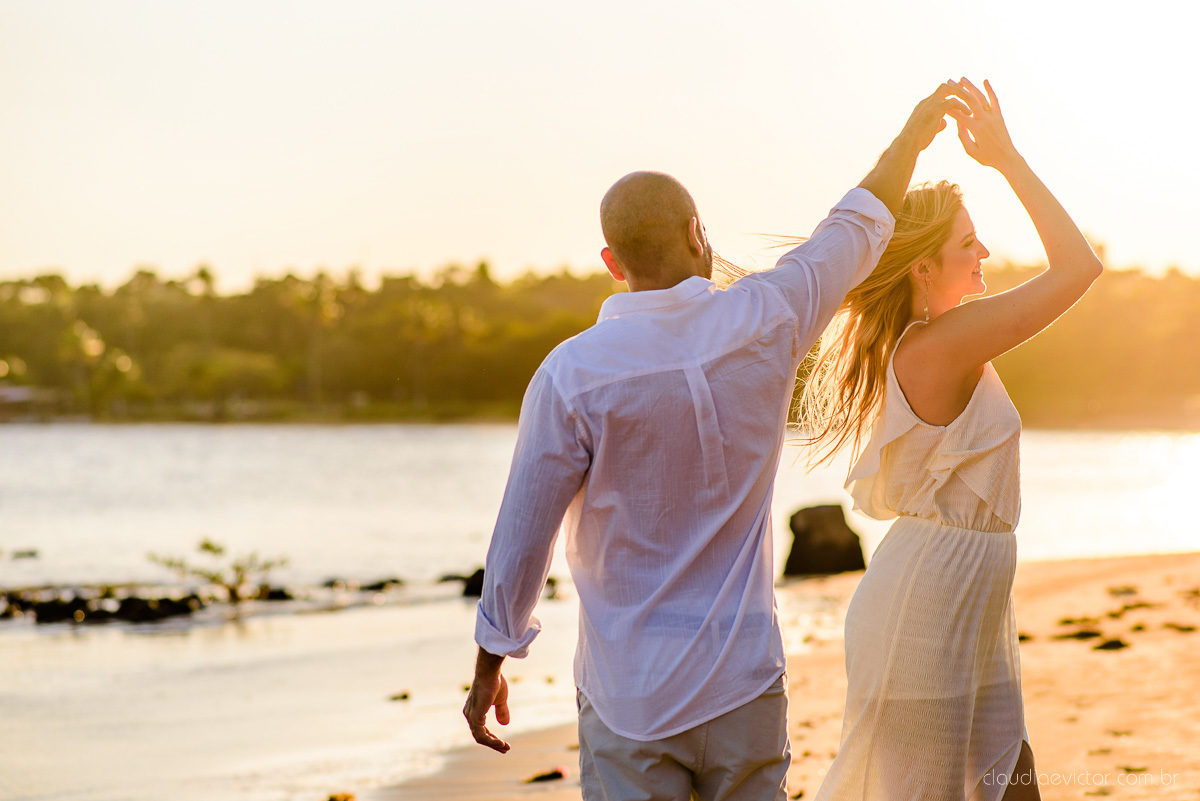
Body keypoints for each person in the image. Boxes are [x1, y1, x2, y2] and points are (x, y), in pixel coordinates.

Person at [462, 82, 967, 801]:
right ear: (700, 233)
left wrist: (491, 663)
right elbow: (855, 226)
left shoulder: (571, 374)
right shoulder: (767, 317)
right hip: (743, 682)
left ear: (613, 261)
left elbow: (523, 533)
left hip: (630, 695)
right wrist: (911, 139)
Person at [802, 79, 1103, 801]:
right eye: (968, 242)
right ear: (923, 266)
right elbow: (1079, 267)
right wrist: (1008, 160)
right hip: (929, 599)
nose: (986, 251)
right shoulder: (943, 342)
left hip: (961, 590)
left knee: (1009, 781)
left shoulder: (941, 340)